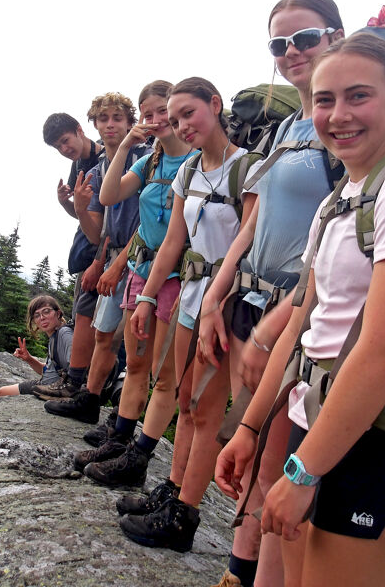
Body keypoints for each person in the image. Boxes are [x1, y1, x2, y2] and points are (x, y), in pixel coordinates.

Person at [216, 32, 385, 586]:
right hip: (318, 417)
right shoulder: (342, 197)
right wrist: (250, 427)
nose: (338, 115)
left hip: (383, 435)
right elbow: (306, 322)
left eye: (358, 97)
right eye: (325, 100)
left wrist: (304, 471)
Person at [199, 0, 344, 586]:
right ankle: (240, 570)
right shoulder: (287, 125)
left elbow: (337, 246)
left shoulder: (342, 127)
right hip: (253, 304)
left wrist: (275, 325)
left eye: (305, 39)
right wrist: (216, 293)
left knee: (284, 471)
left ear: (336, 36)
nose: (291, 53)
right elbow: (254, 221)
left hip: (300, 319)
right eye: (279, 45)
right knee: (257, 457)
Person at [118, 77, 260, 553]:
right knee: (184, 400)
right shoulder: (190, 172)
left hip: (229, 305)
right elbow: (174, 241)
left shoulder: (250, 170)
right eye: (175, 119)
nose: (181, 125)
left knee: (203, 408)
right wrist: (145, 297)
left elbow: (248, 243)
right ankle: (174, 490)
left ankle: (185, 516)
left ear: (215, 106)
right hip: (190, 298)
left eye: (188, 114)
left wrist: (217, 301)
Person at [68, 80, 198, 485]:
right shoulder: (150, 162)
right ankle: (119, 439)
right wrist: (125, 145)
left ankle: (138, 458)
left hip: (178, 278)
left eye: (164, 112)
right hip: (143, 272)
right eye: (150, 114)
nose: (157, 121)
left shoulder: (196, 161)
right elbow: (108, 197)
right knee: (138, 364)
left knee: (163, 375)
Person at [45, 92, 150, 424]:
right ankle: (88, 400)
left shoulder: (147, 157)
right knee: (104, 336)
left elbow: (152, 221)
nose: (109, 125)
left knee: (135, 352)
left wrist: (114, 265)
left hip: (141, 259)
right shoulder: (100, 166)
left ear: (130, 122)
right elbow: (96, 233)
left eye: (117, 118)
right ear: (93, 124)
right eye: (102, 119)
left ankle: (123, 425)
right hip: (114, 256)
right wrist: (77, 206)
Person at [40, 113, 103, 400]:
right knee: (81, 316)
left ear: (79, 130)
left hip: (105, 250)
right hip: (87, 252)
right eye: (58, 147)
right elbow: (80, 216)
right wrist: (66, 202)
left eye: (65, 141)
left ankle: (85, 386)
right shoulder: (77, 166)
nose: (64, 149)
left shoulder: (107, 158)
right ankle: (75, 379)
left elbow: (109, 218)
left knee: (95, 322)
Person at [0, 295, 72, 397]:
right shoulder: (54, 337)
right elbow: (48, 372)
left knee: (2, 392)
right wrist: (29, 359)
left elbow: (77, 365)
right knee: (2, 391)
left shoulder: (64, 333)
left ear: (58, 313)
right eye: (37, 315)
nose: (42, 318)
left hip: (54, 388)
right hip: (46, 385)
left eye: (46, 311)